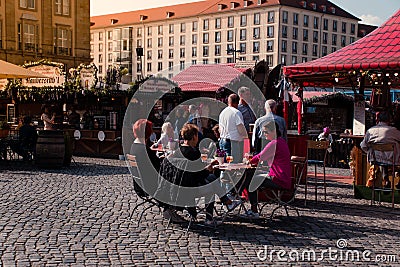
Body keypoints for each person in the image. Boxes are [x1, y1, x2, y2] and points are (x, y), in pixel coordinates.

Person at [172, 123, 241, 226]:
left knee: (212, 179)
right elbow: (200, 174)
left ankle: (226, 201)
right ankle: (216, 212)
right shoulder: (194, 153)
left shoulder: (178, 151)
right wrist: (210, 167)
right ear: (194, 136)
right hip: (191, 189)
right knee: (212, 186)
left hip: (180, 188)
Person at [242, 121, 292, 219]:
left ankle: (253, 210)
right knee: (252, 176)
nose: (264, 134)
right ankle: (252, 207)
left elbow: (261, 157)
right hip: (283, 178)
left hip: (279, 179)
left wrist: (249, 160)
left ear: (274, 131)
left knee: (251, 181)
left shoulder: (274, 143)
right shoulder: (281, 141)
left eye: (266, 132)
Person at [360, 111, 400, 189]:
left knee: (382, 160)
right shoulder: (394, 131)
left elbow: (363, 145)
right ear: (389, 120)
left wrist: (369, 152)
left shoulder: (370, 131)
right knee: (387, 158)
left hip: (376, 160)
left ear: (378, 120)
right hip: (393, 160)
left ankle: (385, 179)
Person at [218, 94, 248, 163]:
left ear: (228, 102)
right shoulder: (236, 112)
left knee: (223, 165)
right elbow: (241, 129)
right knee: (233, 166)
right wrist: (246, 138)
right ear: (237, 102)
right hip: (232, 143)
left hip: (222, 140)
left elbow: (220, 129)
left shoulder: (222, 112)